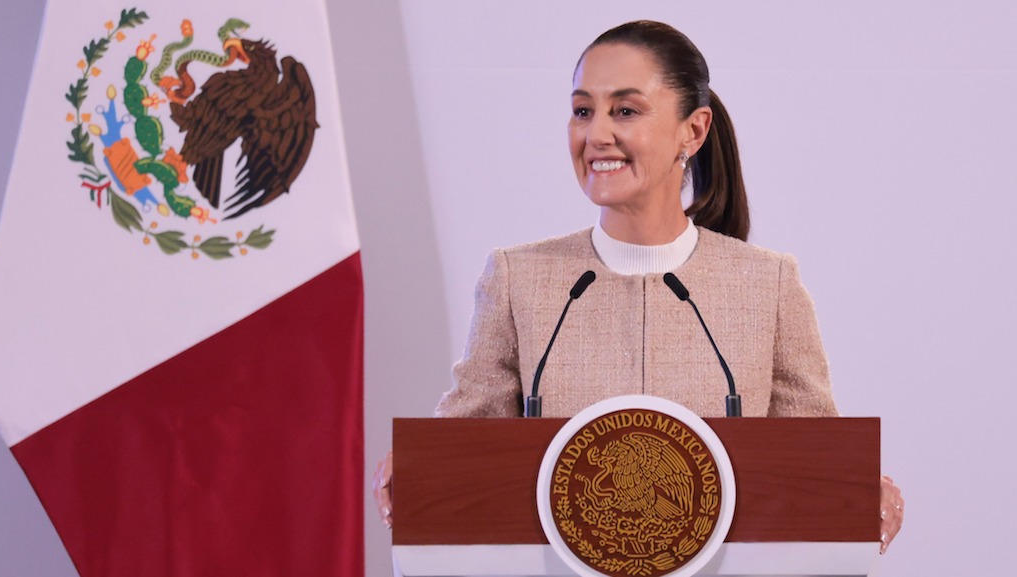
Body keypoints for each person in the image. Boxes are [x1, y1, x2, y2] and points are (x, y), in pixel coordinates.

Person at [373, 20, 903, 553]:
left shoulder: (767, 285)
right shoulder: (519, 279)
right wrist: (420, 466)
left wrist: (856, 487)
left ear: (692, 131)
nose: (596, 134)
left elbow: (813, 457)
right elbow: (463, 442)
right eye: (583, 110)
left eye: (625, 111)